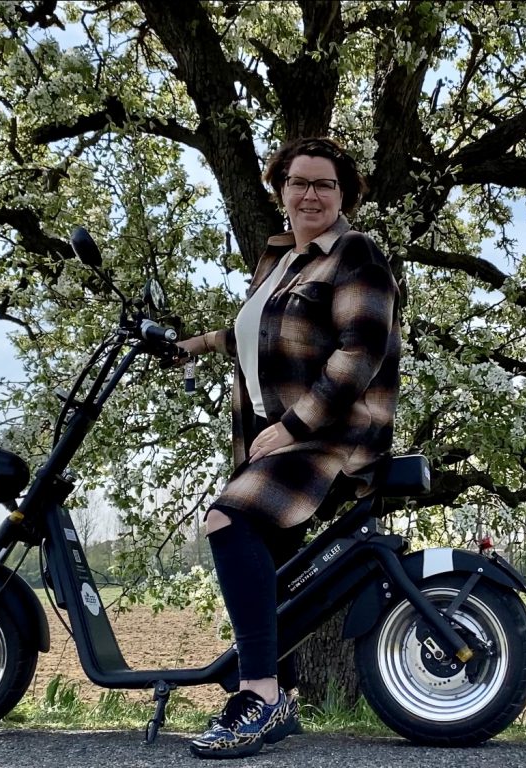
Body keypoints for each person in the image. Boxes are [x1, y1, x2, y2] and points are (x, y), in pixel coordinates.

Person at [177, 136, 401, 759]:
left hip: (330, 435)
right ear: (280, 190)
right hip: (276, 437)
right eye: (298, 182)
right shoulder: (282, 261)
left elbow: (360, 351)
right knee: (271, 565)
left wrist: (297, 426)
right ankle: (285, 692)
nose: (310, 194)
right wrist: (194, 345)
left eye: (324, 184)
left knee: (227, 518)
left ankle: (259, 694)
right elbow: (264, 334)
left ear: (343, 194)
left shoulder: (354, 256)